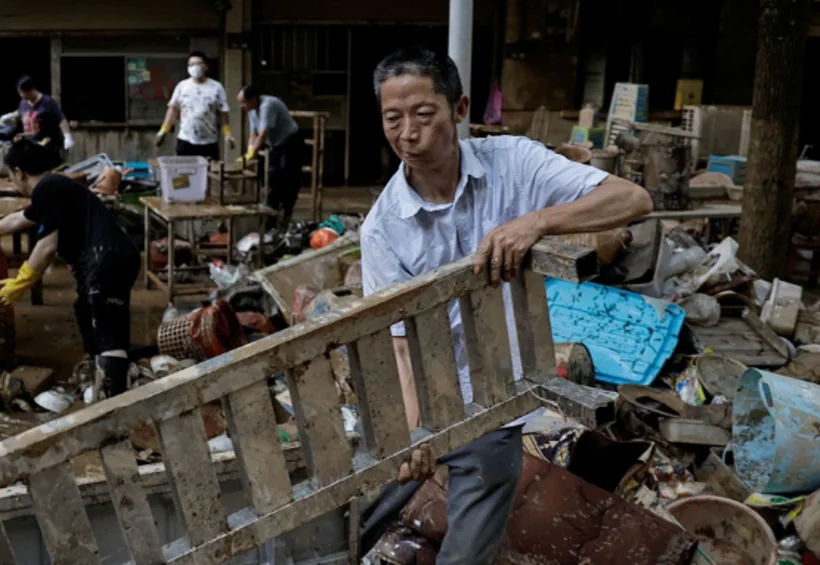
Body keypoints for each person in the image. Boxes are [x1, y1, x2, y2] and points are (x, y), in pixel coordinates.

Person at [360, 47, 652, 565]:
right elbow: (400, 347)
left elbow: (632, 199)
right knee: (356, 519)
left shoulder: (514, 162)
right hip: (421, 393)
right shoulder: (383, 228)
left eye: (423, 114)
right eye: (393, 118)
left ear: (459, 108)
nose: (408, 133)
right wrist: (416, 432)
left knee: (467, 554)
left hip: (492, 395)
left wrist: (535, 222)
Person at [0, 140, 139, 398]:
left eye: (10, 176)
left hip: (105, 260)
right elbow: (23, 217)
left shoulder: (47, 187)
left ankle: (113, 407)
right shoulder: (53, 187)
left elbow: (47, 246)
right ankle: (100, 382)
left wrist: (21, 281)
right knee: (86, 312)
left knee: (107, 334)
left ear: (19, 172)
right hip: (110, 258)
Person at [238, 84, 304, 228]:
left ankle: (286, 214)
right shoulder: (251, 110)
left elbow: (263, 133)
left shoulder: (268, 105)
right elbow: (253, 134)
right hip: (275, 145)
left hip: (290, 141)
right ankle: (272, 217)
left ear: (253, 99)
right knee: (273, 179)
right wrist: (249, 152)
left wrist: (253, 151)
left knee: (289, 178)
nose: (242, 106)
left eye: (243, 102)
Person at [155, 51, 233, 160]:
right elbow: (173, 109)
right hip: (185, 140)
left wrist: (227, 133)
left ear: (206, 66)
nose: (195, 67)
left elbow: (223, 112)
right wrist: (163, 130)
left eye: (198, 63)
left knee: (208, 174)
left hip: (209, 141)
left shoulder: (216, 87)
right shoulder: (182, 86)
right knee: (184, 175)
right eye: (191, 65)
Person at [7, 76, 73, 161]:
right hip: (31, 145)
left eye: (23, 93)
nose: (21, 96)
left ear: (31, 90)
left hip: (47, 145)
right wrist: (11, 116)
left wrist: (67, 136)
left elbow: (60, 118)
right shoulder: (23, 102)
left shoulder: (47, 102)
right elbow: (20, 112)